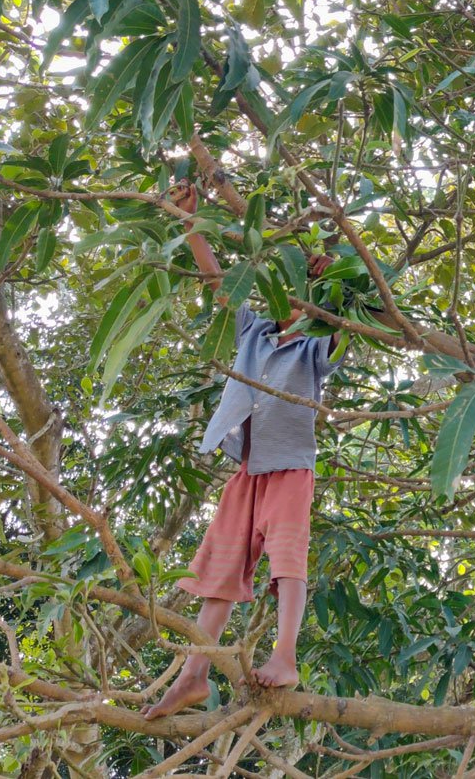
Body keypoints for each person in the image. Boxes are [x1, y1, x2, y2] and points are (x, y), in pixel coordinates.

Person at [144, 182, 341, 719]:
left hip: (290, 467)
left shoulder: (316, 343)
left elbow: (358, 318)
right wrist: (191, 222)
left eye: (303, 288)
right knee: (220, 574)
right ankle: (193, 675)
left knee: (287, 560)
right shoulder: (252, 331)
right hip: (246, 469)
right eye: (284, 287)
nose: (290, 298)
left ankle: (285, 655)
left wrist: (337, 276)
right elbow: (215, 279)